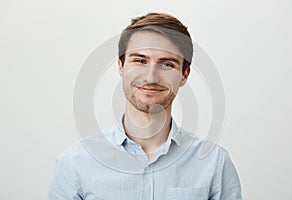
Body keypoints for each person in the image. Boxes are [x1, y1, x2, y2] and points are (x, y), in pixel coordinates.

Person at [48, 12, 242, 200]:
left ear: (185, 74)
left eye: (167, 64)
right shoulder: (75, 163)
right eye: (140, 60)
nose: (150, 77)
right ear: (121, 66)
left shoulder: (215, 164)